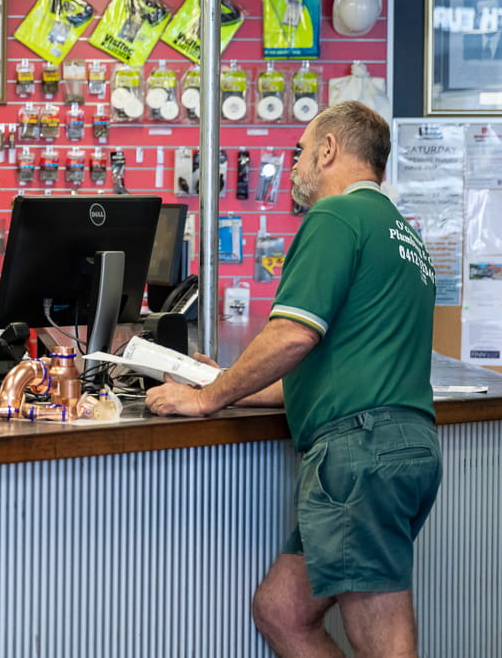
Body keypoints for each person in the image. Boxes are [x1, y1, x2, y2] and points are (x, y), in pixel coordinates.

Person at [145, 101, 441, 658]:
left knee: (382, 642)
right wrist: (230, 380)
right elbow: (330, 367)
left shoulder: (335, 217)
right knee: (282, 611)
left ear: (329, 149)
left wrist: (208, 398)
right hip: (396, 446)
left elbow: (292, 336)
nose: (297, 163)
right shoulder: (403, 235)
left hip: (359, 454)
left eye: (302, 150)